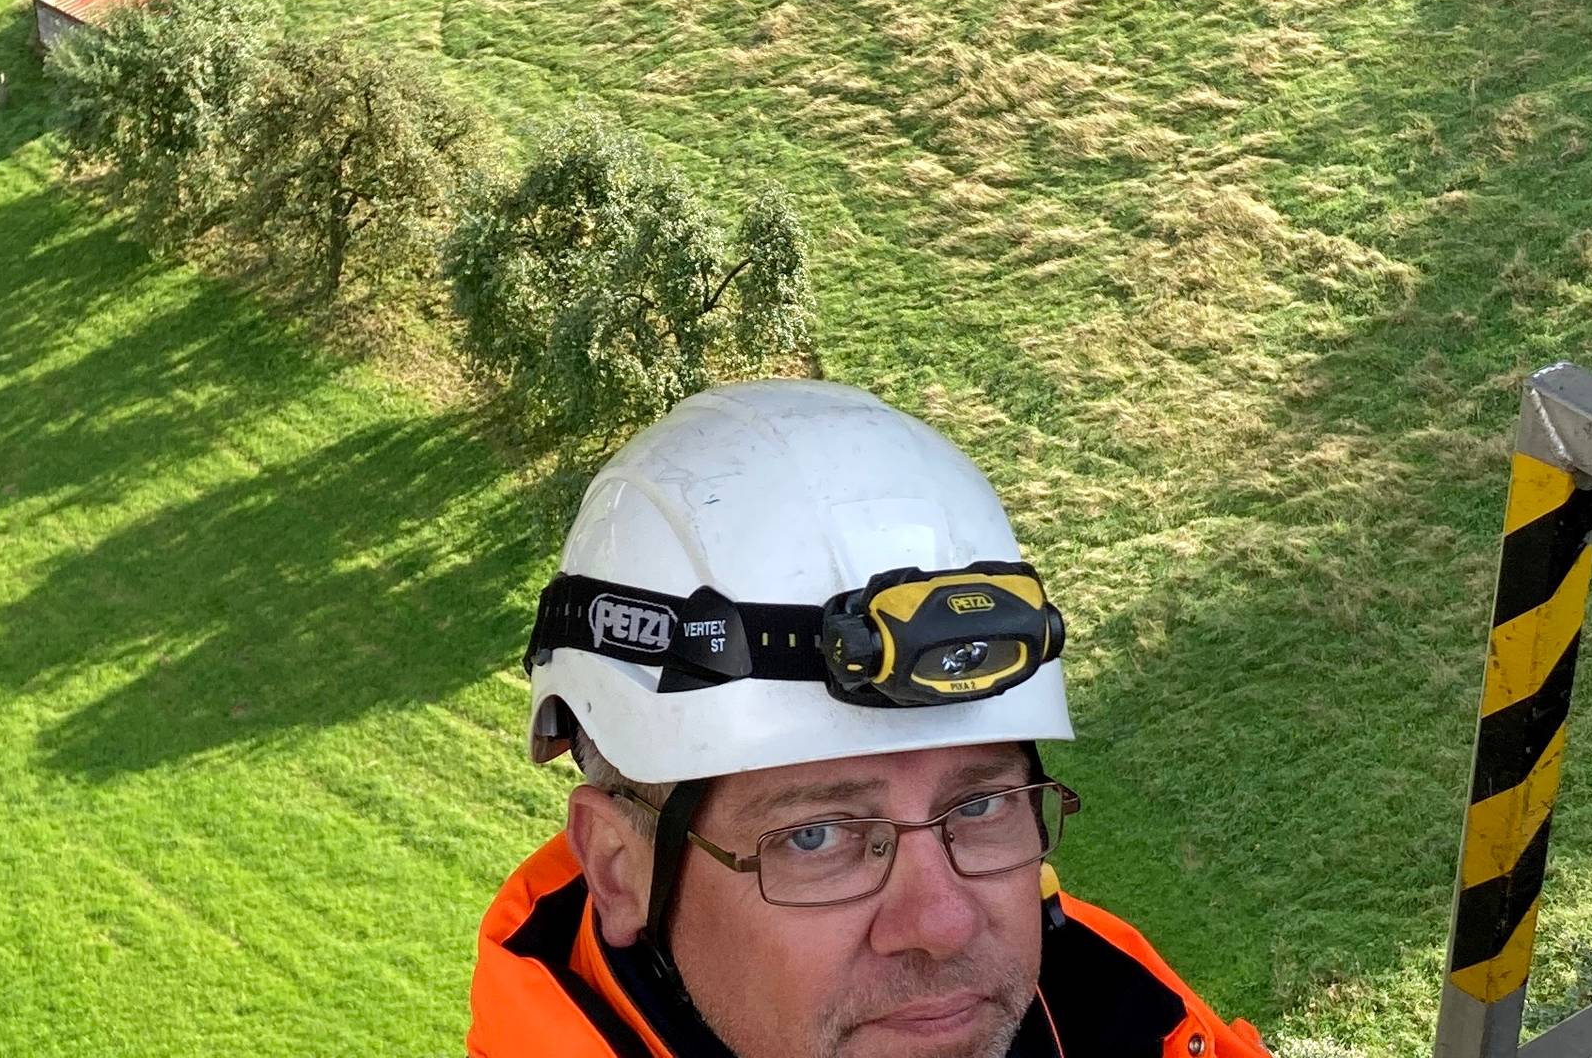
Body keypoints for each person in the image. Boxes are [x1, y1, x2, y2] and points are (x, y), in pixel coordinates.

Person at [470, 380, 1273, 1058]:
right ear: (619, 870)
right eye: (817, 835)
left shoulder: (1128, 1020)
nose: (942, 924)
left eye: (983, 805)